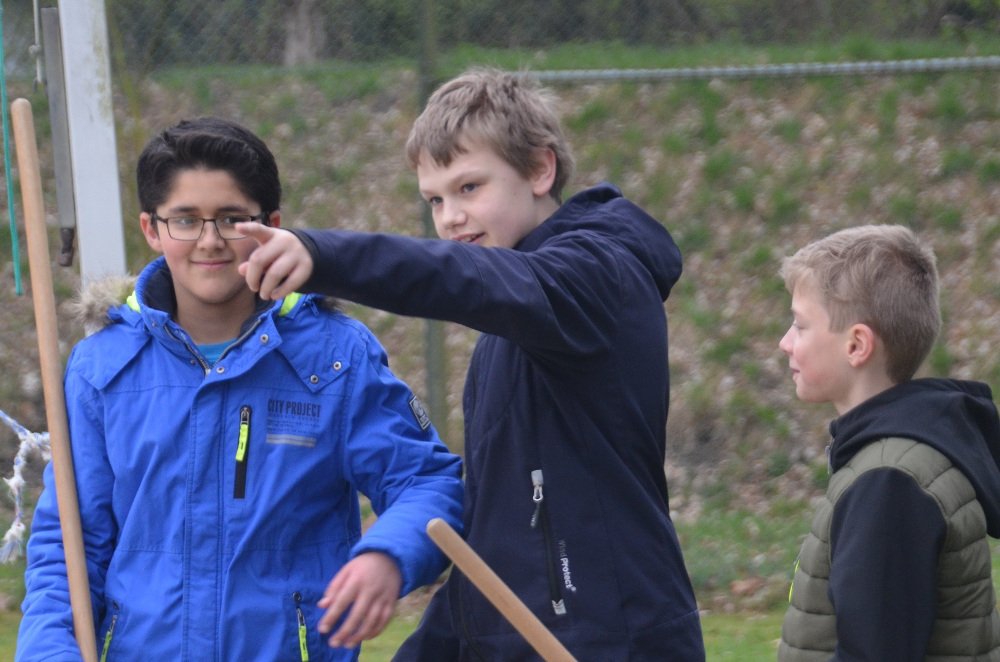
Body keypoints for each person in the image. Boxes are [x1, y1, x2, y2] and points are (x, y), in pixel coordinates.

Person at [237, 68, 705, 661]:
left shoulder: (593, 276)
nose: (449, 217)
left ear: (540, 169)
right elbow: (501, 528)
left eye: (468, 188)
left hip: (611, 639)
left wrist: (322, 254)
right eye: (434, 199)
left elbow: (462, 280)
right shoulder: (513, 323)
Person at [16, 117, 464, 662]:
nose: (210, 241)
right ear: (152, 230)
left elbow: (427, 481)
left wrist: (388, 556)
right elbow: (66, 549)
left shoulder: (335, 357)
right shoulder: (101, 368)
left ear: (271, 225)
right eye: (185, 219)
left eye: (232, 220)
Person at [776, 224, 1000, 660]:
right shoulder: (900, 460)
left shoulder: (889, 482)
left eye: (801, 325)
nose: (785, 342)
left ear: (857, 344)